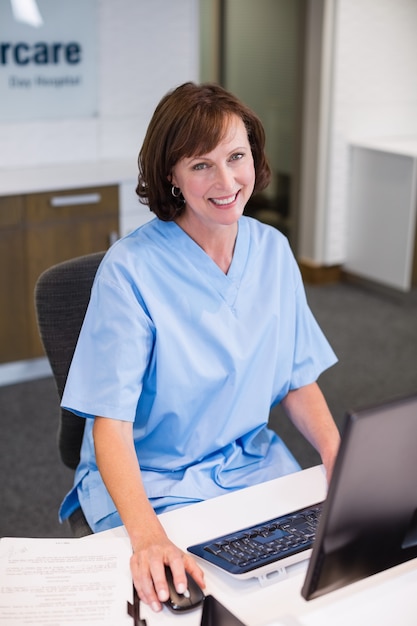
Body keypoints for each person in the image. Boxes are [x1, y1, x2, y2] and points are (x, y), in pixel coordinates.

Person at [60, 82, 340, 612]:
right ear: (171, 175)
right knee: (188, 605)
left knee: (320, 584)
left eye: (237, 157)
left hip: (249, 465)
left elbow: (297, 377)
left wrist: (337, 455)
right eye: (201, 165)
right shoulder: (131, 271)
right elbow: (110, 426)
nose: (227, 180)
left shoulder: (273, 251)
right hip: (153, 481)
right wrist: (148, 536)